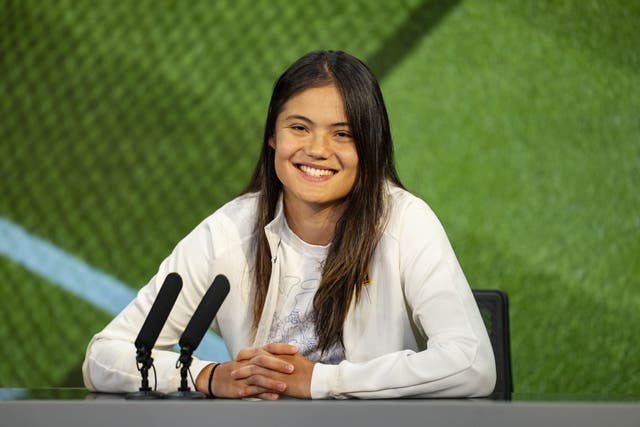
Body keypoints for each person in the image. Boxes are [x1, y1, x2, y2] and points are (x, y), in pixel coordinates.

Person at [82, 50, 496, 399]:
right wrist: (207, 377)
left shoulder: (406, 222)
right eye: (299, 128)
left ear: (370, 147)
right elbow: (104, 356)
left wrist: (320, 379)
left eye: (343, 134)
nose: (317, 150)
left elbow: (472, 363)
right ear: (272, 137)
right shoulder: (229, 231)